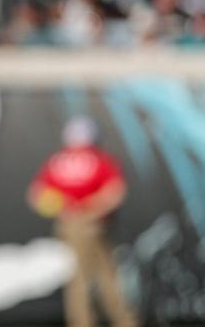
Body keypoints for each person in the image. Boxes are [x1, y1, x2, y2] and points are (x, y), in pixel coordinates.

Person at [27, 116, 137, 327]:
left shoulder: (57, 161)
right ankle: (119, 321)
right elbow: (116, 192)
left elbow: (36, 195)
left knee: (86, 279)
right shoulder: (99, 159)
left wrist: (64, 209)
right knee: (103, 278)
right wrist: (90, 209)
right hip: (94, 224)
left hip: (72, 226)